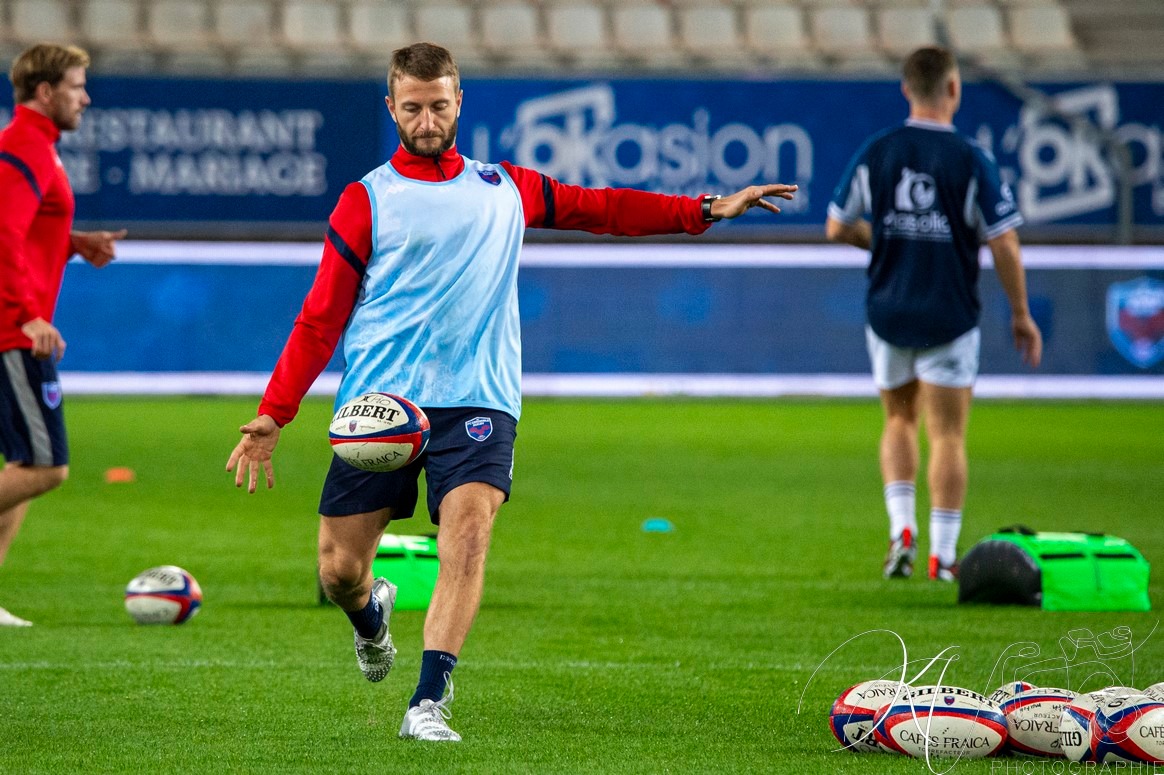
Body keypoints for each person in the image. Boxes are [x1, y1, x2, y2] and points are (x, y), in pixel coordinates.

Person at [226, 42, 797, 742]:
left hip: (479, 399)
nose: (428, 120)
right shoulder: (365, 200)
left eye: (440, 106)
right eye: (413, 108)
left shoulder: (506, 187)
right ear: (391, 108)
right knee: (339, 571)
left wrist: (704, 208)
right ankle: (370, 616)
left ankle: (428, 701)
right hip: (381, 408)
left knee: (467, 536)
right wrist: (274, 413)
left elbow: (605, 208)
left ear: (459, 102)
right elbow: (321, 318)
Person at [825, 46, 1042, 583]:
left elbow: (836, 226)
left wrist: (884, 241)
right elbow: (1004, 240)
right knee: (946, 434)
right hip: (949, 314)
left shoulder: (878, 151)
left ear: (906, 89)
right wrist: (1021, 313)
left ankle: (902, 529)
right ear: (953, 89)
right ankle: (942, 556)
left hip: (889, 311)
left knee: (898, 418)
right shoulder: (970, 159)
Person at [0, 44, 127, 627]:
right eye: (77, 86)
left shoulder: (37, 147)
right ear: (46, 91)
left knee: (23, 463)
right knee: (46, 468)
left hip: (15, 327)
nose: (86, 98)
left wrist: (72, 242)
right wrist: (26, 314)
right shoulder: (24, 146)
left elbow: (24, 227)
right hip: (14, 331)